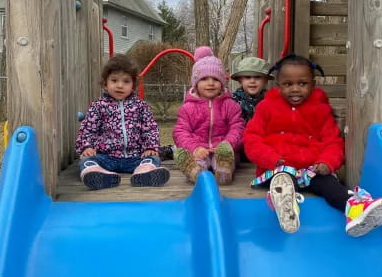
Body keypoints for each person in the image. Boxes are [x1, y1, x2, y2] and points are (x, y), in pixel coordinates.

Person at [244, 53, 382, 237]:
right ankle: (286, 206)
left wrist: (327, 162)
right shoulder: (266, 108)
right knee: (284, 180)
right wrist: (273, 160)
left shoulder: (320, 110)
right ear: (278, 85)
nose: (295, 89)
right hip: (277, 168)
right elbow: (252, 139)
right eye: (288, 84)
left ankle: (355, 210)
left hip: (310, 169)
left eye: (302, 83)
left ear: (313, 84)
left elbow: (333, 141)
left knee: (331, 186)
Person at [76, 54, 170, 190]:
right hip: (106, 157)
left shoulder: (141, 106)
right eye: (114, 80)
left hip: (135, 157)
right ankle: (97, 175)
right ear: (105, 83)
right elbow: (88, 129)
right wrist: (87, 146)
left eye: (126, 81)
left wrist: (150, 147)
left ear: (133, 85)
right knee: (86, 160)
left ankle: (144, 173)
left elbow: (150, 128)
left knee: (153, 159)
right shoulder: (98, 106)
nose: (120, 85)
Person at [173, 46, 245, 185]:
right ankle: (195, 172)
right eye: (204, 78)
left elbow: (238, 127)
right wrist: (194, 148)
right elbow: (180, 131)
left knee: (225, 159)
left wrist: (227, 144)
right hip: (200, 148)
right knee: (197, 160)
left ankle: (224, 172)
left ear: (222, 83)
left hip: (222, 150)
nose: (210, 83)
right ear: (196, 83)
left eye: (216, 79)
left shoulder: (230, 105)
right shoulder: (188, 108)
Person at [231, 56, 273, 162]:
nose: (252, 81)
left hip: (264, 147)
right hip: (240, 147)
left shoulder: (271, 101)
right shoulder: (233, 101)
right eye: (247, 77)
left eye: (258, 77)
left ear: (266, 80)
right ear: (240, 80)